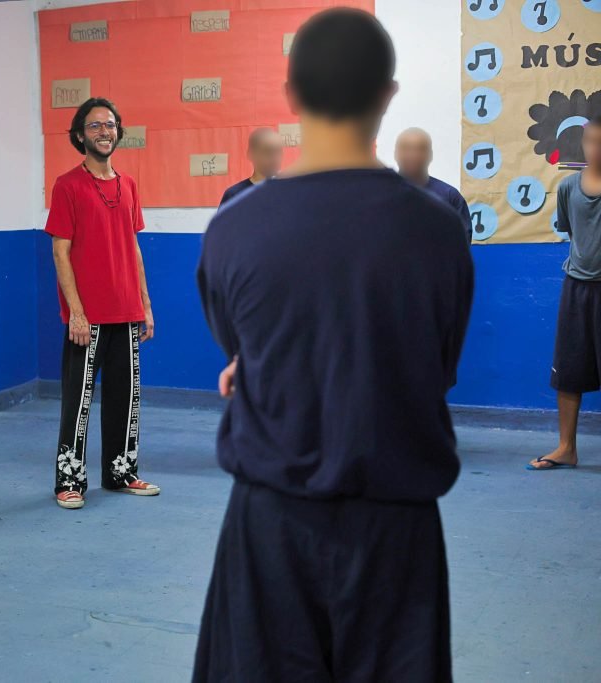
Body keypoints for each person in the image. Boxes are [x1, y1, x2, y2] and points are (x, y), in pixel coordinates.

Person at [195, 9, 473, 681]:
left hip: (271, 529)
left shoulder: (232, 230)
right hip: (397, 529)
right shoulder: (439, 232)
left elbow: (242, 349)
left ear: (291, 95)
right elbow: (437, 366)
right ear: (386, 94)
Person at [46, 97, 159, 510]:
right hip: (86, 317)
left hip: (126, 311)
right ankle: (69, 480)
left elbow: (133, 247)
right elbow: (61, 252)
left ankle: (120, 472)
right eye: (95, 126)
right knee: (78, 401)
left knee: (125, 398)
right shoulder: (67, 185)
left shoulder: (127, 185)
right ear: (80, 135)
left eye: (110, 125)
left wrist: (145, 304)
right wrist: (75, 311)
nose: (104, 132)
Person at [528, 115, 601, 471]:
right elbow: (571, 232)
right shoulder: (569, 188)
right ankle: (566, 448)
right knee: (568, 370)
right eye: (591, 141)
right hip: (577, 288)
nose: (596, 149)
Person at [396, 127, 473, 243]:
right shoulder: (380, 193)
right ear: (397, 154)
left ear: (429, 155)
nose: (413, 155)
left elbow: (461, 246)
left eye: (420, 149)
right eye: (406, 149)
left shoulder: (449, 196)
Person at [219, 128, 283, 206]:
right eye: (268, 151)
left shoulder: (288, 192)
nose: (275, 158)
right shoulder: (234, 195)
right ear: (251, 154)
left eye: (278, 151)